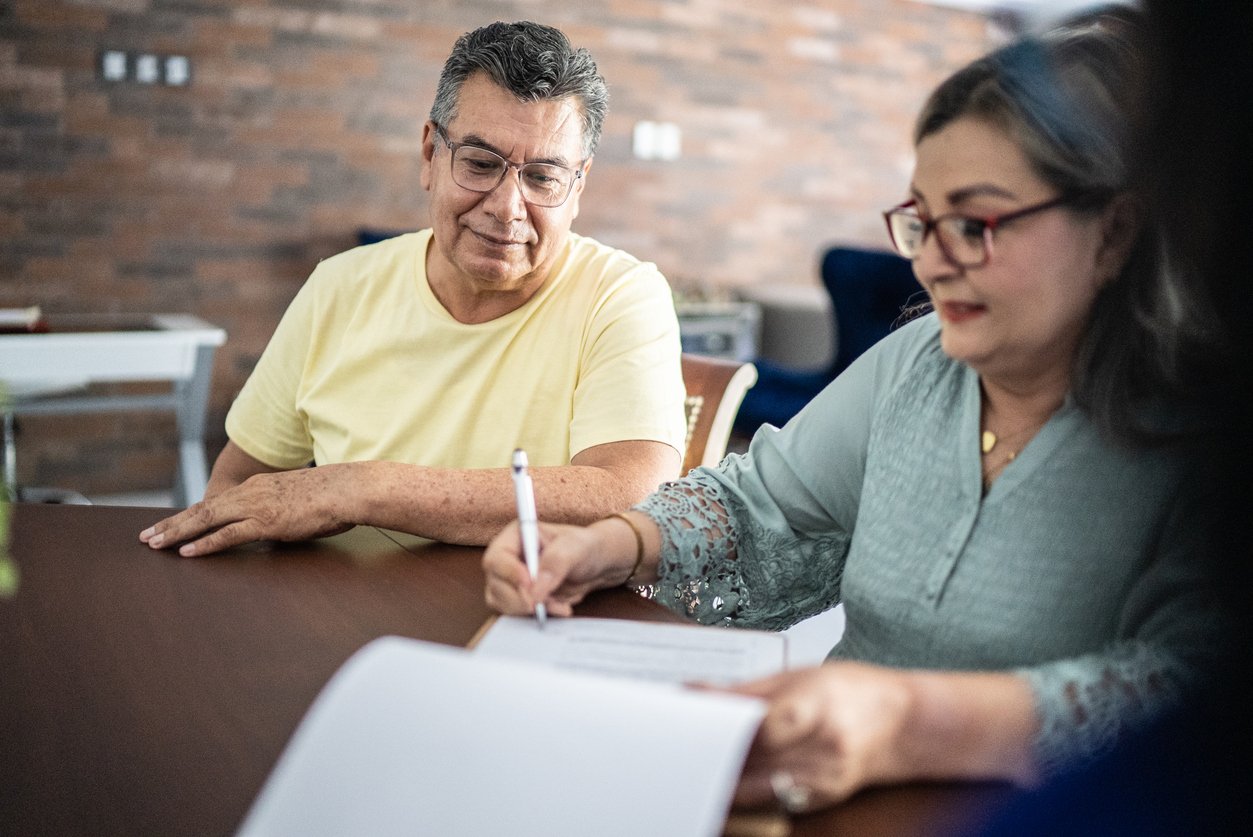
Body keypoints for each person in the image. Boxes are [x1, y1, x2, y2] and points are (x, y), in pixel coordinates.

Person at [483, 18, 1224, 814]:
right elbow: (759, 505)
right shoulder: (915, 365)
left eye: (974, 224)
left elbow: (1191, 695)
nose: (931, 260)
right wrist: (614, 543)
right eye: (921, 221)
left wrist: (908, 721)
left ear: (1113, 231)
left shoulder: (1202, 437)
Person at [140, 21, 687, 556]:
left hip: (520, 625)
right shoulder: (341, 285)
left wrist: (361, 489)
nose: (506, 207)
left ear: (578, 186)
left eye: (542, 177)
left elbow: (631, 495)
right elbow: (239, 482)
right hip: (337, 623)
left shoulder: (621, 295)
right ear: (431, 155)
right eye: (479, 163)